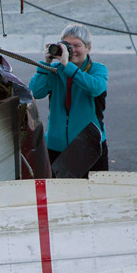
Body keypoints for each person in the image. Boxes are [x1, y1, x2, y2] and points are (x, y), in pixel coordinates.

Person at [28, 23, 109, 172]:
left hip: (90, 146)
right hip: (55, 145)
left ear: (88, 48)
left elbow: (95, 87)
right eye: (67, 45)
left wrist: (68, 66)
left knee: (93, 187)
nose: (72, 50)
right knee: (55, 187)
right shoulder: (55, 70)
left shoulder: (98, 69)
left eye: (77, 45)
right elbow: (36, 92)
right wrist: (46, 63)